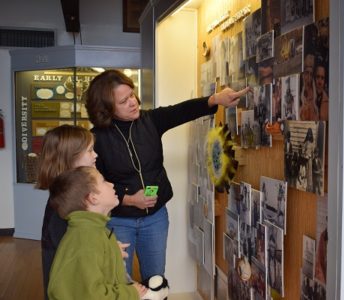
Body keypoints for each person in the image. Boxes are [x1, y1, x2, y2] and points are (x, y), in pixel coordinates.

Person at [84, 69, 250, 280]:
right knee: (118, 280)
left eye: (132, 95)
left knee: (156, 280)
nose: (133, 102)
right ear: (107, 109)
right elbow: (93, 182)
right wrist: (129, 199)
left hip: (155, 218)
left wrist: (215, 99)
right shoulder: (96, 138)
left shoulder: (150, 120)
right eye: (123, 101)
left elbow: (181, 111)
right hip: (118, 220)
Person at [47, 166, 147, 300]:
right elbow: (91, 295)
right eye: (104, 181)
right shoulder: (86, 240)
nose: (111, 184)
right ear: (93, 198)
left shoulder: (96, 231)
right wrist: (130, 293)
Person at [35, 125, 98, 299]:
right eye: (90, 151)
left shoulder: (71, 194)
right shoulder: (66, 204)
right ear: (70, 157)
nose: (96, 155)